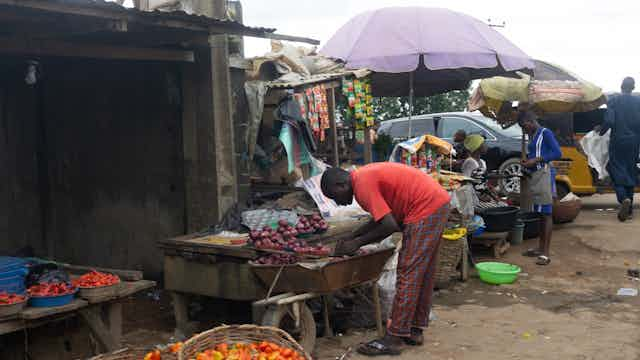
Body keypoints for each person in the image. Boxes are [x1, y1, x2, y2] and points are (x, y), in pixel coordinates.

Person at [320, 163, 450, 356]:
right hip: (436, 202)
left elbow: (389, 226)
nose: (338, 203)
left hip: (425, 207)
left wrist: (356, 244)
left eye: (334, 197)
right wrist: (352, 237)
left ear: (341, 185)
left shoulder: (362, 186)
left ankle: (394, 338)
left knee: (409, 272)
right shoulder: (362, 178)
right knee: (423, 272)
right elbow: (380, 219)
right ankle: (414, 330)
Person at [519, 111, 562, 266]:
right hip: (536, 175)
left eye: (524, 127)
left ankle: (545, 253)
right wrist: (527, 161)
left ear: (530, 121)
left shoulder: (545, 133)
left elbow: (557, 152)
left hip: (544, 174)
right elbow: (536, 153)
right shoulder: (534, 135)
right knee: (541, 214)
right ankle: (540, 248)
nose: (525, 130)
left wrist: (536, 159)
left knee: (547, 214)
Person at [600, 77, 640, 221]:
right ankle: (628, 210)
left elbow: (609, 120)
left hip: (618, 141)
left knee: (615, 170)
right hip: (634, 143)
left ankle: (623, 198)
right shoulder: (638, 102)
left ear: (621, 86)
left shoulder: (614, 101)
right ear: (633, 88)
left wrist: (600, 131)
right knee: (630, 171)